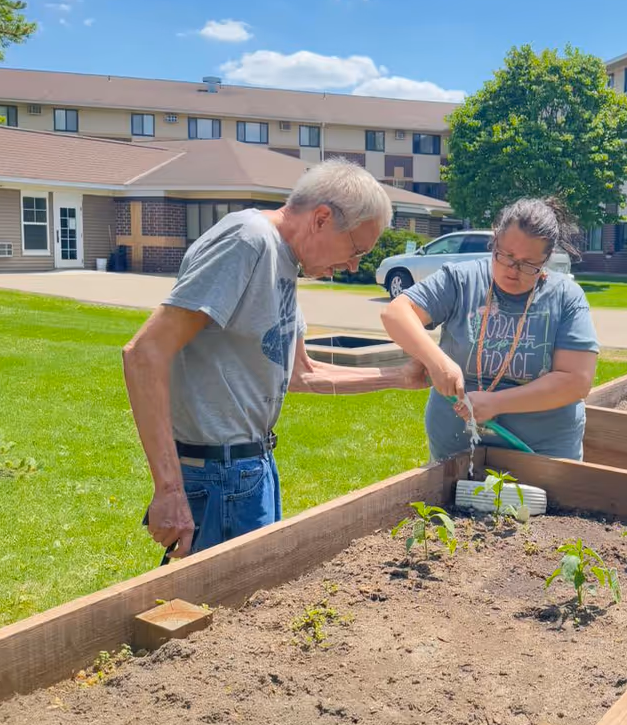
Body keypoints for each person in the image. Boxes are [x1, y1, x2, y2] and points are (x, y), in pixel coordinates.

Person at [123, 160, 425, 559]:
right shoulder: (247, 241)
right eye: (356, 250)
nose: (354, 265)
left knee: (251, 610)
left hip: (252, 469)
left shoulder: (285, 260)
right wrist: (169, 489)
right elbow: (145, 353)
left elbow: (301, 373)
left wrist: (402, 375)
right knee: (216, 612)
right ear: (321, 218)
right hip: (217, 475)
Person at [381, 197, 600, 460]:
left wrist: (496, 403)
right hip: (456, 445)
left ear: (546, 261)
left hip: (542, 451)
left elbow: (576, 381)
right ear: (495, 239)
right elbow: (396, 313)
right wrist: (437, 361)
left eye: (528, 264)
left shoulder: (566, 297)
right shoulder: (461, 280)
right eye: (505, 255)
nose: (512, 270)